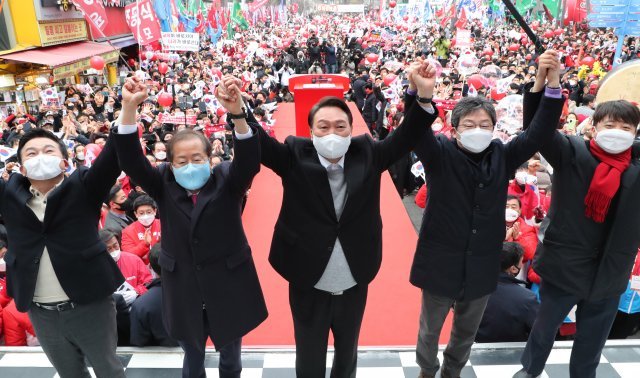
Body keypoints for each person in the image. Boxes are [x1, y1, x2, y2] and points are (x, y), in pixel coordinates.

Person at [252, 59, 439, 377]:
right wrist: (239, 114)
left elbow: (408, 135)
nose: (332, 133)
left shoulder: (368, 153)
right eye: (323, 127)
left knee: (347, 352)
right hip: (306, 276)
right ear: (311, 131)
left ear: (351, 130)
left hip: (355, 275)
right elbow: (261, 145)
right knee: (309, 354)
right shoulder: (295, 155)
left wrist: (421, 96)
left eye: (340, 126)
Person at [410, 50, 564, 378]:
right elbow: (417, 133)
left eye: (484, 124)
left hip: (481, 263)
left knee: (465, 332)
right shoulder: (439, 155)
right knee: (429, 330)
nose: (478, 129)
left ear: (494, 128)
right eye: (470, 124)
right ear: (454, 128)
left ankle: (452, 371)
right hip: (441, 260)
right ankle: (427, 370)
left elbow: (537, 133)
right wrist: (422, 96)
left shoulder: (503, 156)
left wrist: (547, 86)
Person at [112, 75, 267, 378]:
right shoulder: (163, 184)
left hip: (228, 283)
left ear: (210, 159)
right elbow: (131, 161)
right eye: (181, 161)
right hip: (183, 288)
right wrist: (129, 109)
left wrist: (237, 113)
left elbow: (249, 161)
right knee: (192, 360)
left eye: (197, 158)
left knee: (231, 360)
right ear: (170, 164)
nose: (190, 166)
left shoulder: (226, 180)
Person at [515, 99, 640, 378]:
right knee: (544, 327)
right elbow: (538, 129)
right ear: (594, 128)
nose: (617, 132)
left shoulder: (635, 167)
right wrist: (543, 90)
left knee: (592, 339)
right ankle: (530, 369)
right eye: (610, 125)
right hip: (565, 266)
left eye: (625, 127)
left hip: (610, 272)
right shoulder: (572, 152)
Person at [2, 127, 125, 377]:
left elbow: (111, 158)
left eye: (48, 151)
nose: (40, 157)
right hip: (41, 312)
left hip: (90, 306)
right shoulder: (9, 196)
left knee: (108, 369)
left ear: (64, 162)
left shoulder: (84, 188)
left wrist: (129, 109)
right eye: (31, 153)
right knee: (69, 373)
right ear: (22, 168)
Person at [476, 242, 540, 343]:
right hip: (514, 354)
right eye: (521, 261)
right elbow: (538, 332)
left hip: (477, 353)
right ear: (513, 268)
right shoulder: (527, 298)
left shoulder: (474, 292)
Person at [130, 243, 179, 347]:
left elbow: (139, 342)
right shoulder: (197, 295)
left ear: (150, 267)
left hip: (155, 358)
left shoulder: (140, 305)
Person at [121, 195, 161, 265]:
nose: (145, 216)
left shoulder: (163, 225)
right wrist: (145, 244)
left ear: (155, 211)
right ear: (136, 214)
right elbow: (129, 255)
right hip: (143, 269)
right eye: (141, 213)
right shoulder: (127, 232)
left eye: (149, 212)